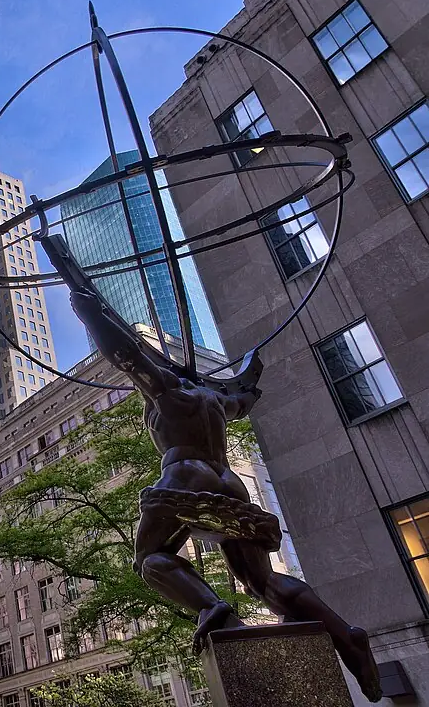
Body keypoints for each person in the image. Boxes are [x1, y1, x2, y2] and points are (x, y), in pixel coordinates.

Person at [69, 286, 382, 702]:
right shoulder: (217, 401)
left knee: (149, 558)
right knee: (260, 579)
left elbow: (127, 358)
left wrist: (90, 314)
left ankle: (212, 607)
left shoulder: (171, 392)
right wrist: (250, 377)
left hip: (185, 474)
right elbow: (246, 397)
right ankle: (345, 634)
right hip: (229, 480)